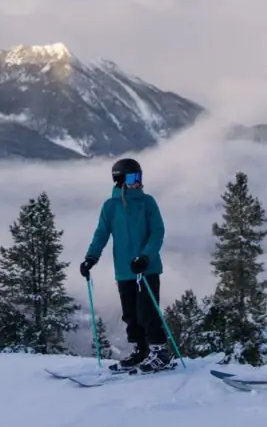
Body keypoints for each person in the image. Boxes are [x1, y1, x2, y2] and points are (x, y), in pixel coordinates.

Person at [80, 158, 175, 373]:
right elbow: (101, 234)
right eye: (133, 178)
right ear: (120, 180)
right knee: (130, 314)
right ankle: (141, 350)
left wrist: (145, 257)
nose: (138, 182)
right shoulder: (111, 207)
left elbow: (158, 232)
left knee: (148, 312)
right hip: (124, 271)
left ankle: (160, 353)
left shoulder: (147, 202)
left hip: (146, 268)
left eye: (140, 177)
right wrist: (90, 258)